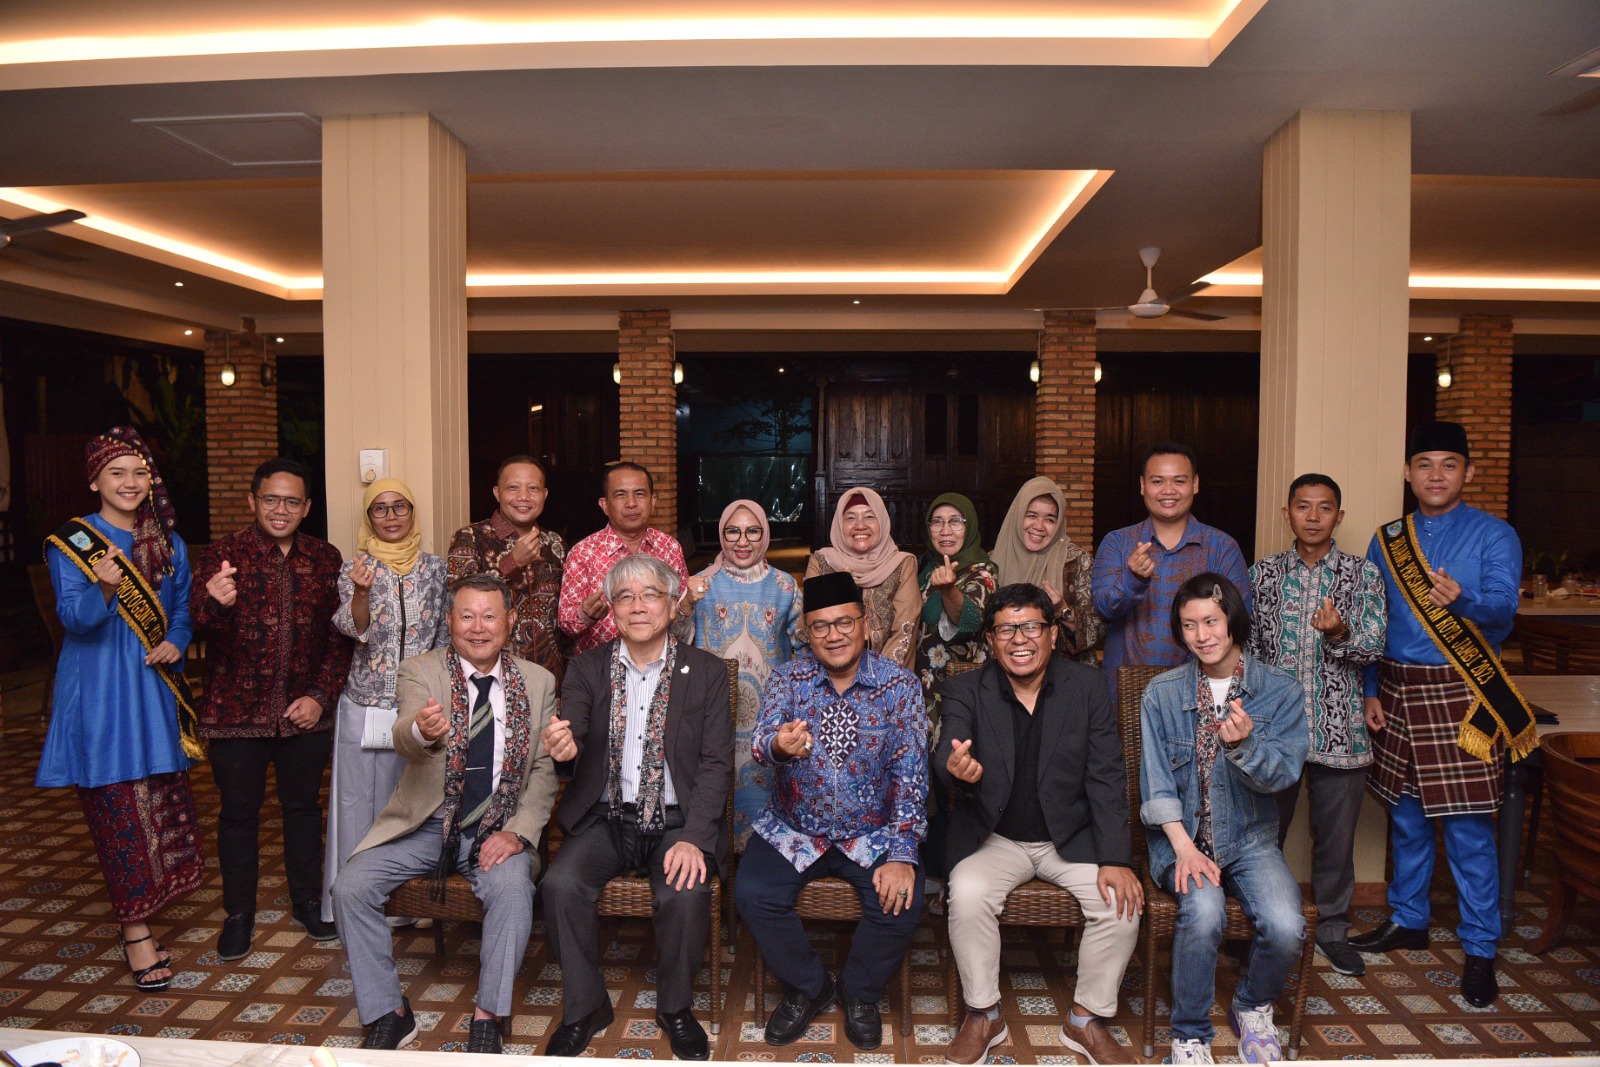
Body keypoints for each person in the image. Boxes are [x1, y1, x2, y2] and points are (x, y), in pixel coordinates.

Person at [331, 573, 558, 1054]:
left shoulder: (539, 682)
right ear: (450, 620)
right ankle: (389, 1012)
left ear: (510, 621)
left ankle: (489, 1016)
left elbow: (542, 771)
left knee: (513, 890)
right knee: (350, 887)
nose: (478, 627)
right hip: (427, 825)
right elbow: (405, 734)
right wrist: (421, 730)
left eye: (489, 616)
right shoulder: (420, 670)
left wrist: (519, 833)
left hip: (499, 827)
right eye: (467, 616)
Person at [1347, 421, 1530, 1010]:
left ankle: (1480, 946)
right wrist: (1370, 689)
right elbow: (1373, 623)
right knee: (1406, 817)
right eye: (1424, 463)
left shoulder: (1495, 534)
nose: (1435, 475)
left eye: (1449, 464)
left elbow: (1503, 614)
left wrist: (1463, 601)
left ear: (1468, 472)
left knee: (1470, 829)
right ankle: (1409, 919)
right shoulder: (1387, 540)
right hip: (1397, 688)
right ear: (1408, 472)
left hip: (1461, 691)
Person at [937, 584, 1142, 1066]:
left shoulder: (1087, 687)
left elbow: (1107, 777)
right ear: (990, 639)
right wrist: (957, 769)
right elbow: (949, 748)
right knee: (967, 893)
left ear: (1051, 634)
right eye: (1006, 629)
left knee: (1121, 905)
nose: (1019, 639)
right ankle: (985, 1014)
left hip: (1069, 837)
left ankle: (1085, 1019)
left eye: (1031, 626)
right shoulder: (965, 688)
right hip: (996, 837)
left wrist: (1116, 858)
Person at [539, 555, 734, 1061]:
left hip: (675, 821)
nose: (638, 606)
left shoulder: (707, 671)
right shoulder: (586, 667)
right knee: (559, 886)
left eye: (650, 595)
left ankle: (676, 1008)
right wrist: (564, 747)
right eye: (625, 597)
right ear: (612, 610)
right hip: (607, 817)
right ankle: (586, 1007)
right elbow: (572, 734)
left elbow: (716, 764)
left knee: (686, 894)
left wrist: (695, 838)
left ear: (671, 605)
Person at [37, 427, 205, 992]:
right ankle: (136, 933)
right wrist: (105, 588)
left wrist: (177, 641)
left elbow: (182, 611)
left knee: (154, 807)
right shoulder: (72, 542)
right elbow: (74, 620)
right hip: (100, 696)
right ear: (95, 481)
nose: (130, 483)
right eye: (116, 473)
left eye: (139, 473)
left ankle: (146, 910)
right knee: (117, 814)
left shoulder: (169, 542)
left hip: (152, 691)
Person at [735, 571, 929, 1052]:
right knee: (753, 894)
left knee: (902, 902)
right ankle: (809, 987)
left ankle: (859, 993)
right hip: (795, 829)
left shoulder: (899, 686)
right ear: (808, 632)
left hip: (872, 834)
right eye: (820, 626)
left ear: (865, 625)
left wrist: (902, 853)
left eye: (844, 622)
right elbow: (761, 741)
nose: (834, 635)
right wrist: (778, 745)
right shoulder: (789, 678)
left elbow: (911, 772)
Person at [1139, 573, 1308, 1066]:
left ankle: (1252, 1006)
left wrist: (1246, 745)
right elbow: (1156, 786)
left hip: (1250, 839)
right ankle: (1190, 1036)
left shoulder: (1280, 691)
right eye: (1189, 625)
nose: (1202, 635)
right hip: (1181, 838)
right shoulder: (1162, 693)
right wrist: (1184, 850)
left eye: (1211, 621)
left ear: (1232, 619)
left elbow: (1284, 775)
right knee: (1204, 912)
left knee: (1286, 925)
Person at [191, 457, 353, 960]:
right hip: (234, 716)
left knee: (303, 812)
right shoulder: (223, 555)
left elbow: (341, 639)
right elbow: (196, 627)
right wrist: (215, 603)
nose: (280, 510)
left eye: (291, 501)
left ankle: (307, 902)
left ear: (306, 507)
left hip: (304, 716)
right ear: (252, 501)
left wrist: (320, 697)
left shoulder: (325, 558)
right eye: (270, 499)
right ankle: (238, 915)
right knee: (238, 816)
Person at [1245, 474, 1386, 976]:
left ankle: (1332, 932)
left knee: (1335, 840)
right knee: (1261, 836)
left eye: (1324, 508)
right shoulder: (1261, 575)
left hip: (1339, 726)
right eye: (1303, 506)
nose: (1312, 516)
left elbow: (1374, 647)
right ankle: (1257, 926)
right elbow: (1248, 652)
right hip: (1273, 732)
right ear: (1287, 514)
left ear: (1338, 517)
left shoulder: (1362, 575)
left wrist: (1340, 632)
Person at [322, 477, 451, 924]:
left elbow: (443, 637)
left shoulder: (436, 569)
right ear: (368, 517)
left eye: (400, 506)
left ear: (413, 512)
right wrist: (361, 591)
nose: (391, 516)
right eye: (380, 508)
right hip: (364, 703)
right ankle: (355, 904)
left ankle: (412, 907)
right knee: (358, 807)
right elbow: (353, 630)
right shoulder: (352, 568)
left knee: (414, 805)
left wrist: (436, 695)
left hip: (419, 706)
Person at [685, 498, 803, 847]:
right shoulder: (700, 585)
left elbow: (803, 651)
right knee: (714, 795)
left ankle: (759, 864)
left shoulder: (785, 586)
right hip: (713, 714)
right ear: (721, 536)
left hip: (768, 717)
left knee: (765, 805)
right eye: (732, 532)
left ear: (764, 535)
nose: (742, 541)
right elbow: (675, 645)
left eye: (752, 531)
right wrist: (686, 603)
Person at [1093, 443, 1251, 703]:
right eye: (1158, 481)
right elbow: (1103, 608)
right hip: (1127, 689)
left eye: (1179, 481)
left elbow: (1238, 620)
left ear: (1195, 484)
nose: (1168, 490)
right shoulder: (1117, 543)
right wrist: (1133, 579)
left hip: (1200, 687)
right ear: (1143, 485)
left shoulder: (1222, 547)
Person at [448, 454, 569, 686]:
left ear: (544, 495)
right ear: (497, 493)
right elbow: (457, 600)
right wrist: (512, 563)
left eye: (533, 488)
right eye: (513, 488)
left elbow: (563, 621)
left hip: (548, 679)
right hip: (489, 676)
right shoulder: (470, 538)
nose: (523, 497)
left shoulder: (555, 544)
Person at [558, 462, 691, 657]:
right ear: (605, 505)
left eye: (640, 494)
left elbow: (681, 613)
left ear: (653, 501)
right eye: (621, 495)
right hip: (600, 668)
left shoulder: (669, 548)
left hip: (661, 664)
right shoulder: (583, 553)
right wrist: (585, 615)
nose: (631, 503)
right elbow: (565, 623)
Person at [991, 476, 1105, 663]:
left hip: (1065, 672)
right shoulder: (992, 564)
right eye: (1031, 516)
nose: (1039, 526)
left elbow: (1098, 631)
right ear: (1017, 515)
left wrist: (1063, 610)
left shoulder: (1078, 561)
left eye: (1050, 519)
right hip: (1005, 670)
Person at [804, 487, 920, 669]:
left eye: (870, 517)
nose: (860, 525)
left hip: (887, 674)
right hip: (830, 671)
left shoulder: (902, 563)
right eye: (850, 518)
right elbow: (808, 626)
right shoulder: (821, 561)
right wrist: (836, 586)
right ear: (839, 524)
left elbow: (905, 629)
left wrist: (879, 677)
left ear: (882, 521)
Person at [915, 492, 999, 703]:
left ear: (969, 527)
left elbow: (971, 621)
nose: (945, 531)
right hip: (920, 682)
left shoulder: (983, 572)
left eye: (956, 521)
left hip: (960, 687)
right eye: (937, 522)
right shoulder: (924, 566)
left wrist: (948, 591)